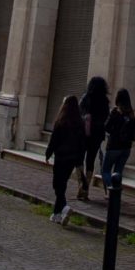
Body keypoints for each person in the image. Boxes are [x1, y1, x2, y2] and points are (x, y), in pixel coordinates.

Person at [47, 95, 87, 223]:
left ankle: (63, 208)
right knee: (62, 184)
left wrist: (48, 153)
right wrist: (80, 160)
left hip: (61, 157)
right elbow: (82, 144)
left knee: (57, 184)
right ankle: (57, 214)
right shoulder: (80, 123)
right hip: (72, 159)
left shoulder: (61, 121)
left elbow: (54, 140)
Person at [100, 88, 135, 192]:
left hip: (114, 146)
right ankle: (116, 191)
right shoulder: (131, 114)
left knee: (105, 170)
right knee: (118, 172)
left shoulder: (115, 112)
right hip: (126, 147)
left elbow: (106, 127)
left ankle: (111, 190)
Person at [79, 75, 111, 199]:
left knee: (80, 159)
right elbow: (106, 118)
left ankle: (81, 185)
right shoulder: (105, 101)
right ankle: (86, 187)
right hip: (97, 135)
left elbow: (79, 113)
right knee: (90, 160)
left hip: (84, 133)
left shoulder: (86, 98)